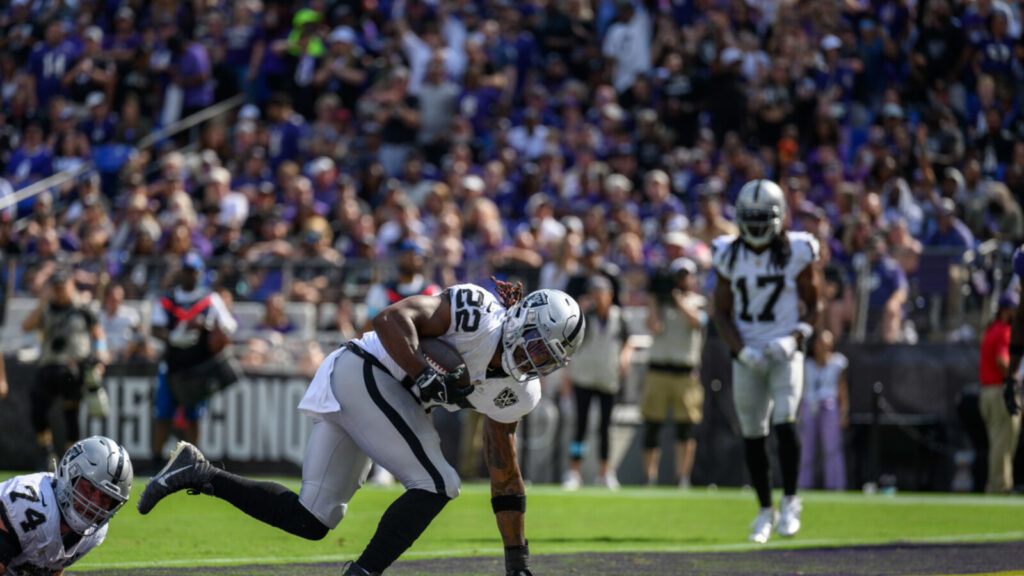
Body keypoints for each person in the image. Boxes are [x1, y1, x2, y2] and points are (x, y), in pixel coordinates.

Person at [137, 279, 585, 576]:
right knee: (437, 483)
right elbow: (390, 318)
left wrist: (516, 560)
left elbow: (504, 469)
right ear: (521, 321)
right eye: (534, 346)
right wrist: (421, 372)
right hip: (370, 369)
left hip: (387, 397)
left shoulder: (522, 392)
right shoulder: (478, 312)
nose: (534, 361)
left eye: (547, 358)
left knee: (312, 518)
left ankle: (198, 473)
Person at [711, 179, 821, 543]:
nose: (756, 225)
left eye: (762, 218)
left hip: (784, 350)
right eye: (750, 217)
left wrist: (794, 339)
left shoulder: (799, 250)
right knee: (753, 433)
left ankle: (790, 501)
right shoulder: (728, 253)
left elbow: (814, 305)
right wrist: (742, 351)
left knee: (786, 421)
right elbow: (721, 312)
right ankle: (764, 509)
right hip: (748, 354)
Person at [0, 436, 133, 575]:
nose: (95, 503)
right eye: (89, 489)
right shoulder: (28, 503)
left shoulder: (94, 534)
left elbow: (50, 568)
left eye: (106, 497)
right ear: (69, 476)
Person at [150, 253, 238, 462]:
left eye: (193, 272)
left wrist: (209, 327)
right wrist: (173, 336)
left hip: (199, 368)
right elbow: (155, 328)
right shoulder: (167, 299)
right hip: (172, 367)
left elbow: (229, 326)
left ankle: (192, 462)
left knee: (194, 418)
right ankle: (156, 460)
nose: (190, 276)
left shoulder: (210, 300)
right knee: (163, 415)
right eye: (187, 271)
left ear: (200, 274)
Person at [22, 270, 108, 467]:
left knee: (71, 415)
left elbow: (99, 334)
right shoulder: (46, 309)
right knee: (38, 409)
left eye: (64, 286)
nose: (60, 291)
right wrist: (42, 302)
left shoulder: (82, 309)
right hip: (49, 367)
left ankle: (71, 460)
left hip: (73, 369)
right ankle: (47, 453)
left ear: (71, 286)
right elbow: (26, 326)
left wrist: (101, 358)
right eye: (57, 287)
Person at [561, 275, 633, 490]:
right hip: (584, 377)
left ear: (610, 295)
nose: (598, 298)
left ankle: (605, 471)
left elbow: (628, 340)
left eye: (601, 293)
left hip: (607, 379)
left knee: (605, 428)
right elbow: (570, 342)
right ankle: (574, 471)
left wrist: (625, 356)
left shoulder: (619, 317)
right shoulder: (583, 318)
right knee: (580, 427)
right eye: (594, 293)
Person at [641, 257, 707, 489]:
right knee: (652, 425)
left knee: (685, 427)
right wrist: (653, 298)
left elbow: (696, 322)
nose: (680, 280)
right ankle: (649, 477)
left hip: (685, 372)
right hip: (659, 369)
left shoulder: (698, 301)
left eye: (684, 275)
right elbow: (653, 326)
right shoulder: (660, 303)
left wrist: (677, 298)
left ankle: (683, 477)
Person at [797, 330, 848, 491]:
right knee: (805, 448)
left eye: (828, 345)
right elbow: (801, 389)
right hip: (809, 406)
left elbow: (842, 390)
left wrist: (843, 413)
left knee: (832, 449)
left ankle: (835, 485)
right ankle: (803, 484)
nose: (825, 348)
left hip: (829, 407)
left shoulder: (838, 363)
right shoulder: (807, 365)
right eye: (822, 344)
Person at [982, 294, 1020, 493]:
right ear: (1007, 311)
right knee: (1003, 442)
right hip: (1000, 391)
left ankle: (997, 484)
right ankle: (1000, 486)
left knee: (998, 441)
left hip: (987, 392)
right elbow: (1002, 360)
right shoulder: (1006, 331)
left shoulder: (991, 330)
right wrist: (1016, 377)